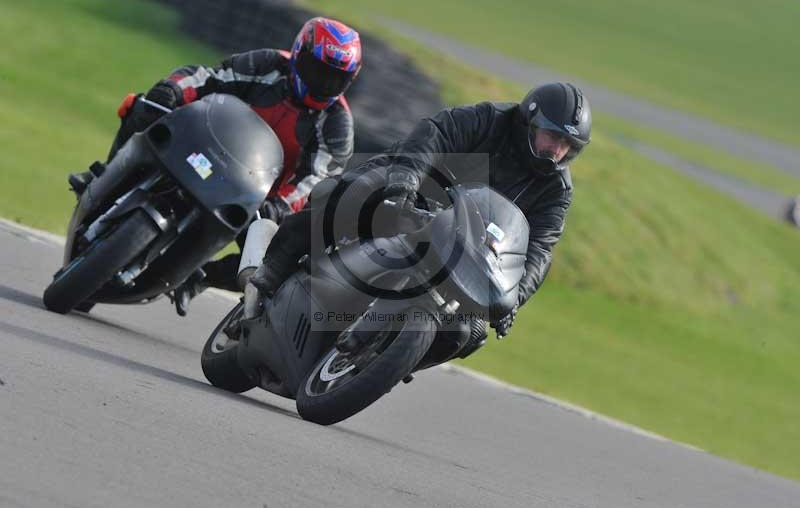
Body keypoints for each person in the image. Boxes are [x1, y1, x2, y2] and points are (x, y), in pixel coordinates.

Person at [251, 81, 591, 349]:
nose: (557, 150)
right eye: (553, 137)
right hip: (414, 191)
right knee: (344, 198)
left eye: (567, 146)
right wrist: (405, 182)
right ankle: (272, 269)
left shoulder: (556, 190)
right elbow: (435, 134)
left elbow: (540, 249)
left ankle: (390, 355)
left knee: (469, 332)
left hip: (466, 244)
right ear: (529, 121)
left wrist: (514, 297)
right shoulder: (490, 120)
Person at [69, 17, 363, 316]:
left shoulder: (337, 125)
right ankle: (105, 174)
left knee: (281, 257)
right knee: (141, 105)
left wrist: (278, 206)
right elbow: (209, 77)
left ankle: (198, 277)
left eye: (334, 78)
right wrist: (173, 90)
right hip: (205, 148)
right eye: (317, 71)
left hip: (254, 197)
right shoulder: (268, 64)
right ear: (299, 54)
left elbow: (316, 179)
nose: (322, 83)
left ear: (348, 81)